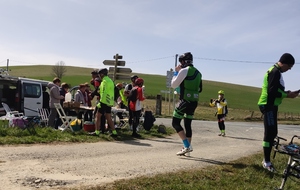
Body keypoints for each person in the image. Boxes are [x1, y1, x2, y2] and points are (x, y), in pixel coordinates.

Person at [258, 53, 299, 172]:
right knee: (269, 134)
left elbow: (276, 89)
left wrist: (288, 92)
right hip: (268, 104)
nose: (289, 69)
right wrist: (287, 95)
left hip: (272, 105)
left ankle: (267, 159)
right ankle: (266, 161)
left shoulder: (276, 71)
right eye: (289, 67)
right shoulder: (275, 72)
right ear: (284, 63)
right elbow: (271, 92)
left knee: (273, 132)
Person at [171, 52, 202, 156]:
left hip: (184, 100)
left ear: (183, 62)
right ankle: (186, 149)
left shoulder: (184, 70)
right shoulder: (198, 73)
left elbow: (173, 84)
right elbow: (200, 89)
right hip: (194, 101)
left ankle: (187, 146)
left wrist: (176, 72)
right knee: (188, 124)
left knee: (175, 123)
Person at [94, 68, 117, 136]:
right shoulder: (110, 81)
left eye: (99, 74)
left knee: (97, 116)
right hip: (109, 101)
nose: (99, 76)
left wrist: (100, 102)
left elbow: (104, 92)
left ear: (102, 74)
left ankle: (97, 132)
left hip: (104, 101)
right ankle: (114, 132)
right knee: (108, 117)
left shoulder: (104, 81)